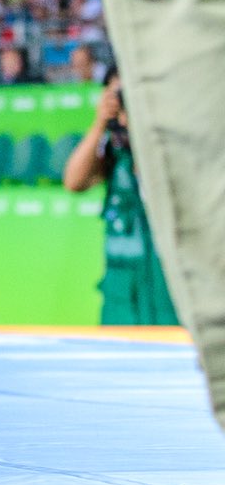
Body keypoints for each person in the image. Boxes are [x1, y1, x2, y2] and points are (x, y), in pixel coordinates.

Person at [63, 72, 178, 327]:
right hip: (122, 301)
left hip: (167, 297)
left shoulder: (170, 147)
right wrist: (100, 123)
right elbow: (73, 181)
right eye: (117, 94)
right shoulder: (113, 154)